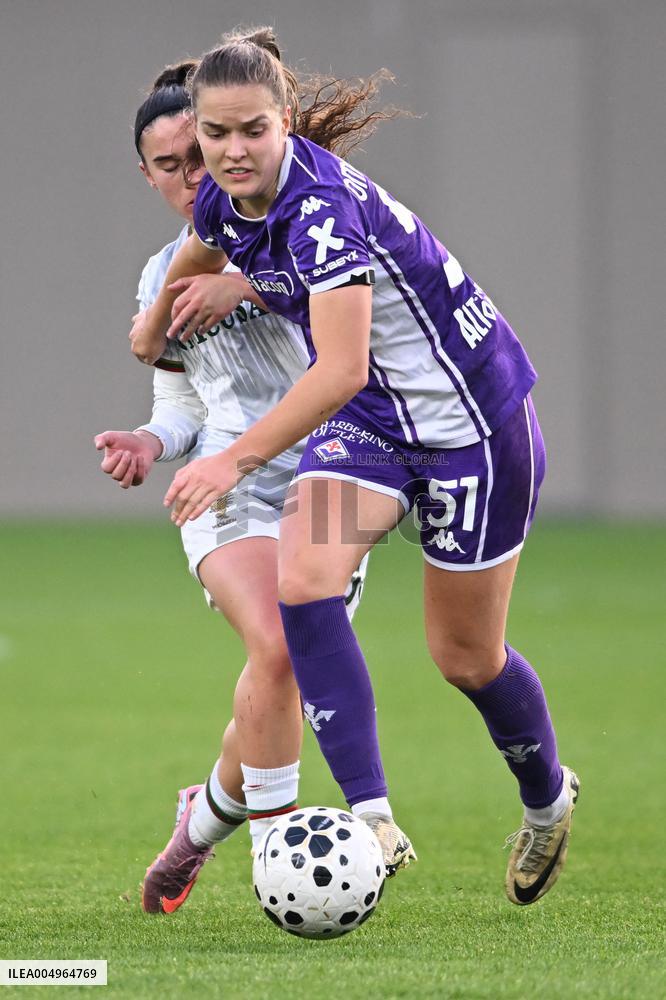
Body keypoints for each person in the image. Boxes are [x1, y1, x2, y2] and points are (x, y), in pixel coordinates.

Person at [132, 27, 579, 906]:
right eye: (214, 134)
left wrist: (231, 459)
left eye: (250, 131)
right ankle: (371, 817)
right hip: (373, 430)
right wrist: (153, 327)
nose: (228, 152)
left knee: (465, 657)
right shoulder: (226, 198)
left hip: (474, 430)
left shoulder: (323, 208)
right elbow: (206, 247)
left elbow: (336, 367)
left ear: (286, 121)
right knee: (304, 585)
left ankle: (546, 799)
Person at [95, 61, 381, 915]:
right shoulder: (161, 277)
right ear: (146, 175)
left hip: (335, 471)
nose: (195, 173)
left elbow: (350, 337)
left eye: (204, 150)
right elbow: (182, 400)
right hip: (228, 478)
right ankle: (278, 849)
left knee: (281, 675)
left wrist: (250, 281)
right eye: (172, 163)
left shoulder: (312, 223)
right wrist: (150, 439)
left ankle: (198, 825)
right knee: (281, 647)